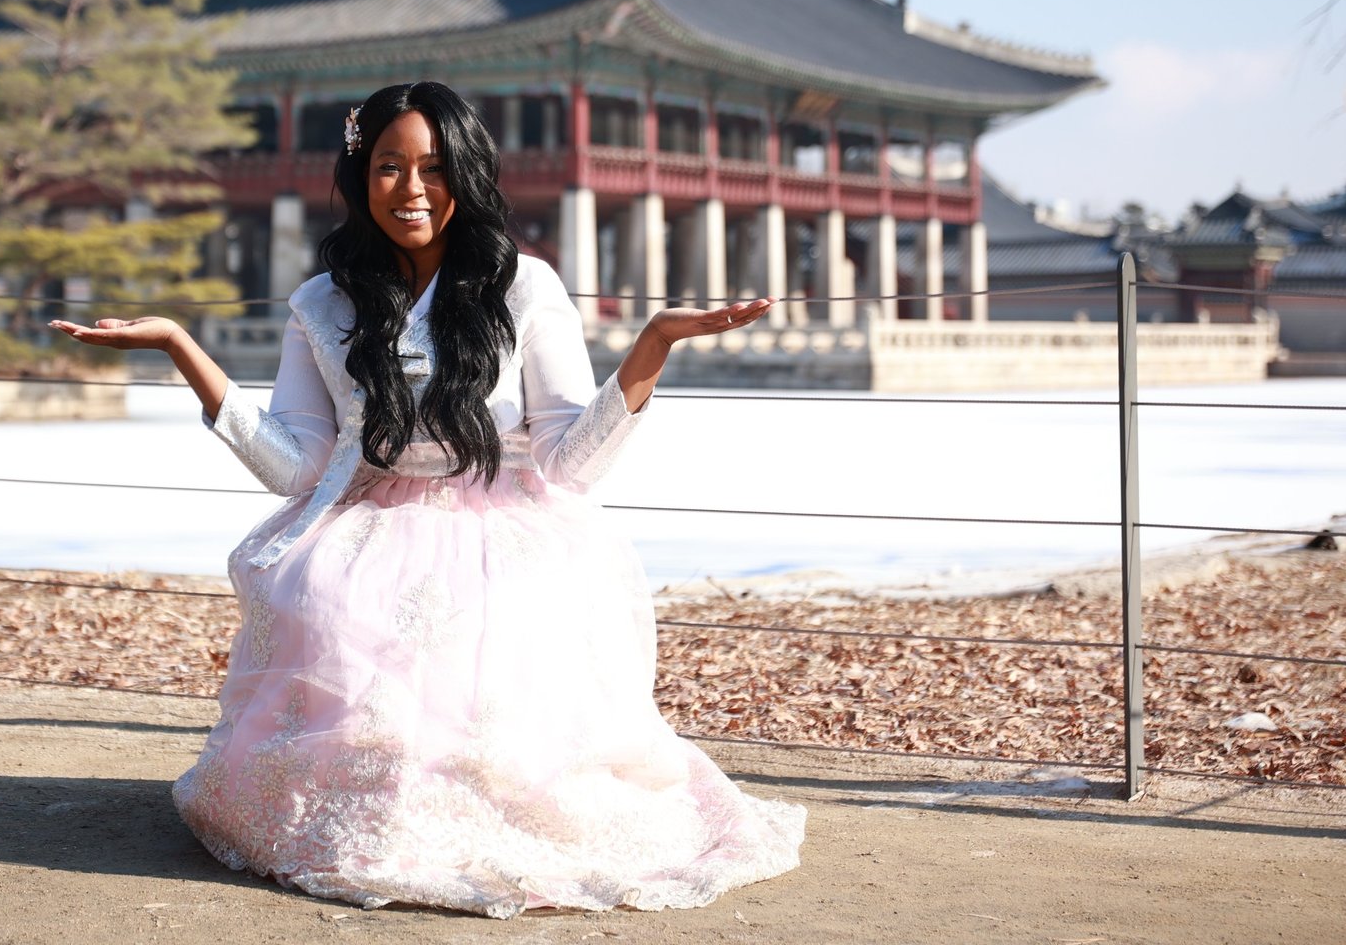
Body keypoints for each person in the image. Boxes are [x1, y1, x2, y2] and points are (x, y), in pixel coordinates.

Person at [49, 81, 804, 918]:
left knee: (505, 615)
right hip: (369, 520)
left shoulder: (525, 288)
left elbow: (570, 464)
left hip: (505, 518)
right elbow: (298, 468)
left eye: (434, 168)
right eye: (388, 167)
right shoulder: (325, 301)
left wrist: (650, 349)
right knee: (329, 596)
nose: (411, 190)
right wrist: (183, 350)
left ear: (467, 174)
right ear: (359, 173)